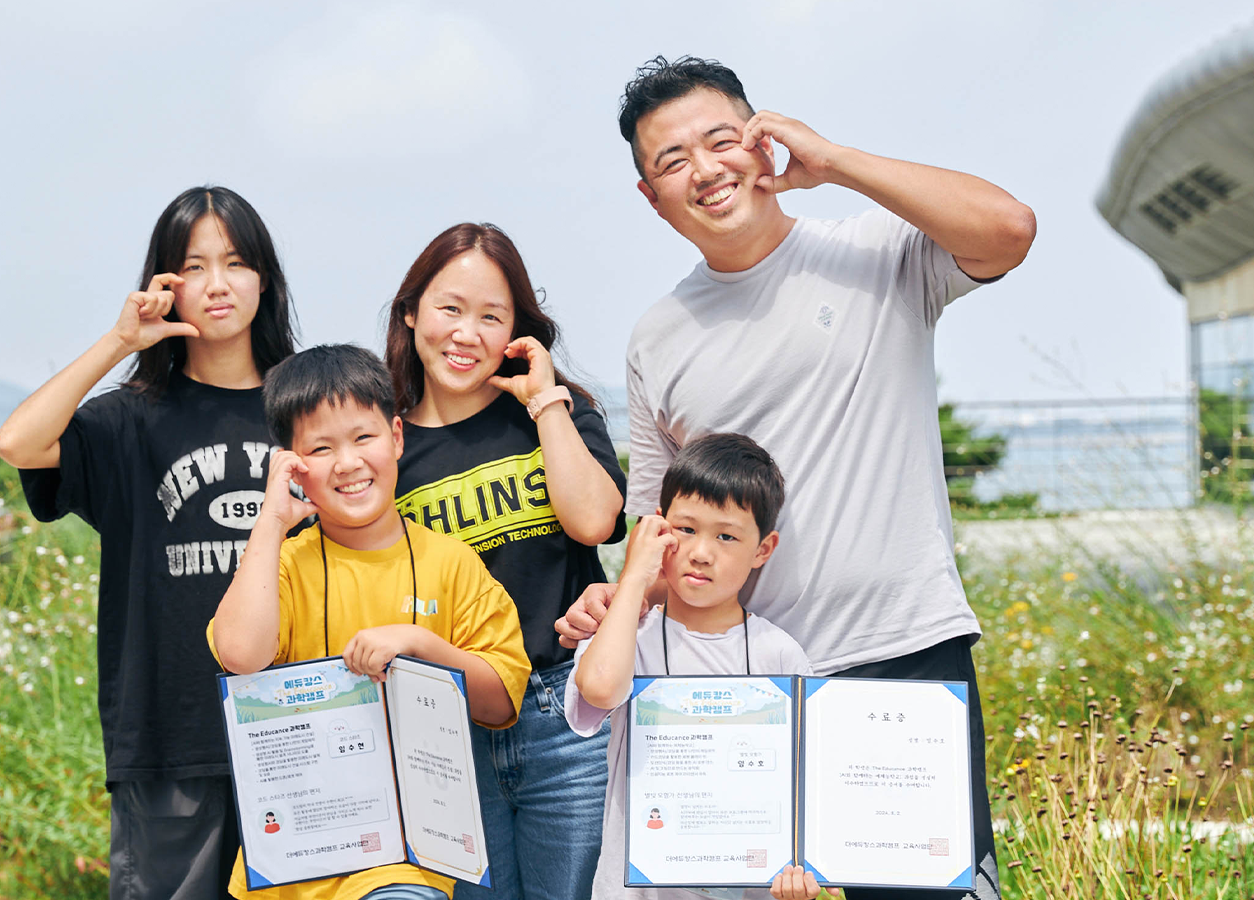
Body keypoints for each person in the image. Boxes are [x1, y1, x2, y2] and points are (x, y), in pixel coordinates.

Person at [557, 57, 1037, 900]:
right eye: (672, 161)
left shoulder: (875, 252)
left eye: (720, 140)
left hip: (901, 657)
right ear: (650, 196)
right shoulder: (659, 336)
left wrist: (836, 161)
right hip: (742, 687)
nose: (704, 171)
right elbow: (655, 530)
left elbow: (1009, 229)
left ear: (762, 139)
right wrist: (625, 599)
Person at [0, 185, 299, 900]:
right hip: (169, 741)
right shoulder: (129, 422)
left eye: (235, 262)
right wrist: (120, 343)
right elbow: (17, 442)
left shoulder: (307, 405)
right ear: (163, 285)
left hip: (298, 726)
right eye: (193, 267)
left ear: (265, 277)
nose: (217, 284)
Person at [210, 343, 531, 900]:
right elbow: (240, 653)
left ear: (398, 437)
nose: (349, 462)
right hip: (288, 864)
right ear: (291, 462)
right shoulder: (282, 564)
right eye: (320, 448)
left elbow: (501, 700)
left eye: (364, 438)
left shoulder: (449, 562)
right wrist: (271, 521)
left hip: (402, 868)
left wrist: (421, 645)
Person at [385, 223, 628, 900]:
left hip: (568, 716)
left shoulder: (558, 413)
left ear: (517, 331)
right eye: (449, 309)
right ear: (411, 312)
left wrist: (544, 399)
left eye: (491, 316)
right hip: (447, 722)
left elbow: (594, 521)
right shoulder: (386, 446)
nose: (466, 334)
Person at [565, 433, 826, 900]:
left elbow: (808, 784)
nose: (702, 552)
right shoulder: (629, 636)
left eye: (726, 536)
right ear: (659, 528)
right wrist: (635, 576)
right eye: (685, 529)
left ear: (763, 549)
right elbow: (601, 689)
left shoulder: (779, 655)